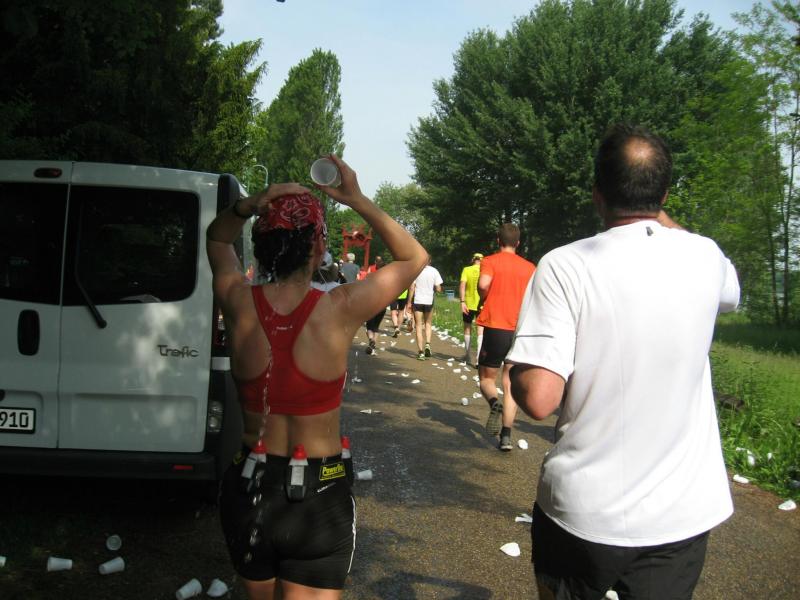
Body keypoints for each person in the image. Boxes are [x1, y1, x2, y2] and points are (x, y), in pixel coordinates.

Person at [507, 124, 740, 600]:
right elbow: (730, 295)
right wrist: (654, 208)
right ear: (665, 194)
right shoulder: (707, 257)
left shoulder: (565, 264)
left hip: (585, 511)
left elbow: (539, 400)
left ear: (597, 193)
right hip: (682, 513)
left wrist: (518, 366)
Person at [206, 154, 427, 600]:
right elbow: (414, 256)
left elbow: (216, 237)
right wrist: (355, 198)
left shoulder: (237, 299)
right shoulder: (339, 308)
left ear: (263, 245)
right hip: (318, 495)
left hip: (250, 487)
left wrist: (252, 202)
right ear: (317, 246)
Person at [476, 224, 535, 451]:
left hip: (497, 325)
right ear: (518, 243)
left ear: (498, 240)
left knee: (486, 379)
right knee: (510, 384)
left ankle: (494, 403)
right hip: (521, 329)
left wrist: (484, 296)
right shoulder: (530, 267)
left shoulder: (490, 261)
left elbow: (483, 284)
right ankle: (506, 437)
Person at [407, 258, 443, 360]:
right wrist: (435, 289)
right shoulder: (434, 271)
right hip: (429, 301)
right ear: (430, 261)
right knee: (428, 323)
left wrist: (409, 302)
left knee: (418, 325)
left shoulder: (416, 270)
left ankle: (421, 352)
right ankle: (427, 344)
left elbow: (412, 288)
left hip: (418, 300)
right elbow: (438, 288)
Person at [459, 252, 484, 365]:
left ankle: (468, 355)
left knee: (467, 328)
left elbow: (462, 286)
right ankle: (478, 359)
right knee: (480, 330)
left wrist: (462, 301)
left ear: (473, 259)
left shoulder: (466, 269)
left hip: (468, 304)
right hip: (482, 304)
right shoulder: (484, 271)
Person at [363, 259, 387, 355]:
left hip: (371, 304)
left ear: (376, 267)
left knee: (369, 326)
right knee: (376, 326)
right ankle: (373, 344)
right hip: (382, 305)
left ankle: (371, 340)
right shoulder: (387, 280)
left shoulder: (371, 277)